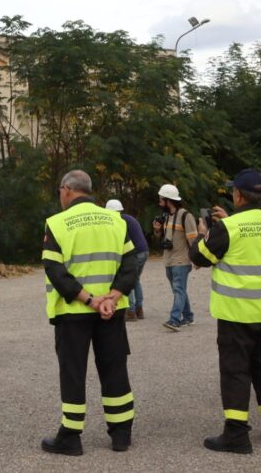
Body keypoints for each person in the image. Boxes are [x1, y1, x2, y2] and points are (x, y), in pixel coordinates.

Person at [190, 169, 261, 454]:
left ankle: (236, 434)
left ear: (238, 196)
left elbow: (200, 257)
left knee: (235, 371)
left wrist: (201, 235)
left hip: (236, 314)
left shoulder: (228, 228)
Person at [41, 170, 137, 456]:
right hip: (112, 311)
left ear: (67, 189)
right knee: (114, 369)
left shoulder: (57, 223)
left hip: (74, 312)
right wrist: (113, 296)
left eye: (60, 191)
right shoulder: (115, 220)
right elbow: (131, 264)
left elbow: (55, 270)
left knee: (73, 372)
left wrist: (90, 300)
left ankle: (70, 437)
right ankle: (121, 435)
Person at [158, 183, 197, 331]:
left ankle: (174, 320)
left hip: (181, 260)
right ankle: (188, 317)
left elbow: (193, 239)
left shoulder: (186, 216)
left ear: (169, 200)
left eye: (161, 200)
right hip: (169, 260)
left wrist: (196, 259)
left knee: (178, 289)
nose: (159, 203)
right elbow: (167, 237)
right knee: (179, 290)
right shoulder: (167, 216)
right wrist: (157, 231)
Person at [106, 199, 149, 321]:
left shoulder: (119, 221)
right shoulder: (128, 218)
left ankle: (130, 311)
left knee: (128, 279)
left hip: (136, 253)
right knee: (135, 280)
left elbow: (122, 242)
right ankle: (139, 309)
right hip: (144, 250)